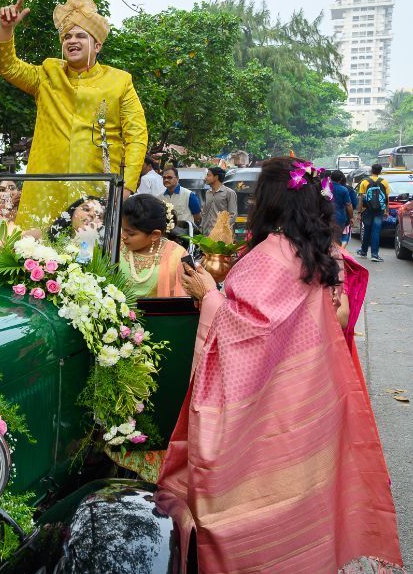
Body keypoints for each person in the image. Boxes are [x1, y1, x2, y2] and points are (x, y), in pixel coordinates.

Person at [161, 158, 402, 573]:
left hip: (264, 404)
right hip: (310, 396)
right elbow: (338, 316)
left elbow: (246, 330)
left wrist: (207, 293)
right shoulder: (327, 252)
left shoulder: (269, 255)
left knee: (256, 491)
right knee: (304, 485)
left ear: (271, 200)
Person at [0, 0, 148, 228]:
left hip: (95, 187)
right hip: (46, 186)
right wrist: (6, 30)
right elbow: (9, 68)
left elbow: (136, 135)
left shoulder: (120, 81)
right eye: (67, 36)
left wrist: (125, 187)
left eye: (80, 36)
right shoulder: (47, 73)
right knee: (37, 255)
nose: (71, 40)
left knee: (90, 255)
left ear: (97, 45)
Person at [118, 195, 187, 298]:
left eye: (131, 234)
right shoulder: (114, 246)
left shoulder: (176, 256)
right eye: (123, 229)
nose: (123, 236)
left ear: (154, 235)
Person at [357, 163, 391, 262]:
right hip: (379, 210)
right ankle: (374, 255)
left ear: (371, 170)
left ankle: (363, 252)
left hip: (367, 210)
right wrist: (386, 211)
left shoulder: (365, 182)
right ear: (380, 171)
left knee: (367, 230)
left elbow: (361, 198)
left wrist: (359, 212)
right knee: (376, 231)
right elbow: (386, 198)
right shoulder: (384, 182)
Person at [200, 166, 236, 235]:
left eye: (208, 175)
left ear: (216, 177)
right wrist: (202, 228)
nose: (205, 178)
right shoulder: (208, 193)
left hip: (221, 235)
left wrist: (222, 230)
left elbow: (232, 215)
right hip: (206, 233)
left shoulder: (229, 193)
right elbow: (204, 213)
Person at [329, 170, 356, 248]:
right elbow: (348, 205)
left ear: (330, 178)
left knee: (328, 237)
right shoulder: (343, 189)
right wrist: (351, 218)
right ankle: (336, 255)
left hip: (326, 216)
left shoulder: (325, 187)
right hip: (340, 217)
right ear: (341, 179)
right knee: (337, 238)